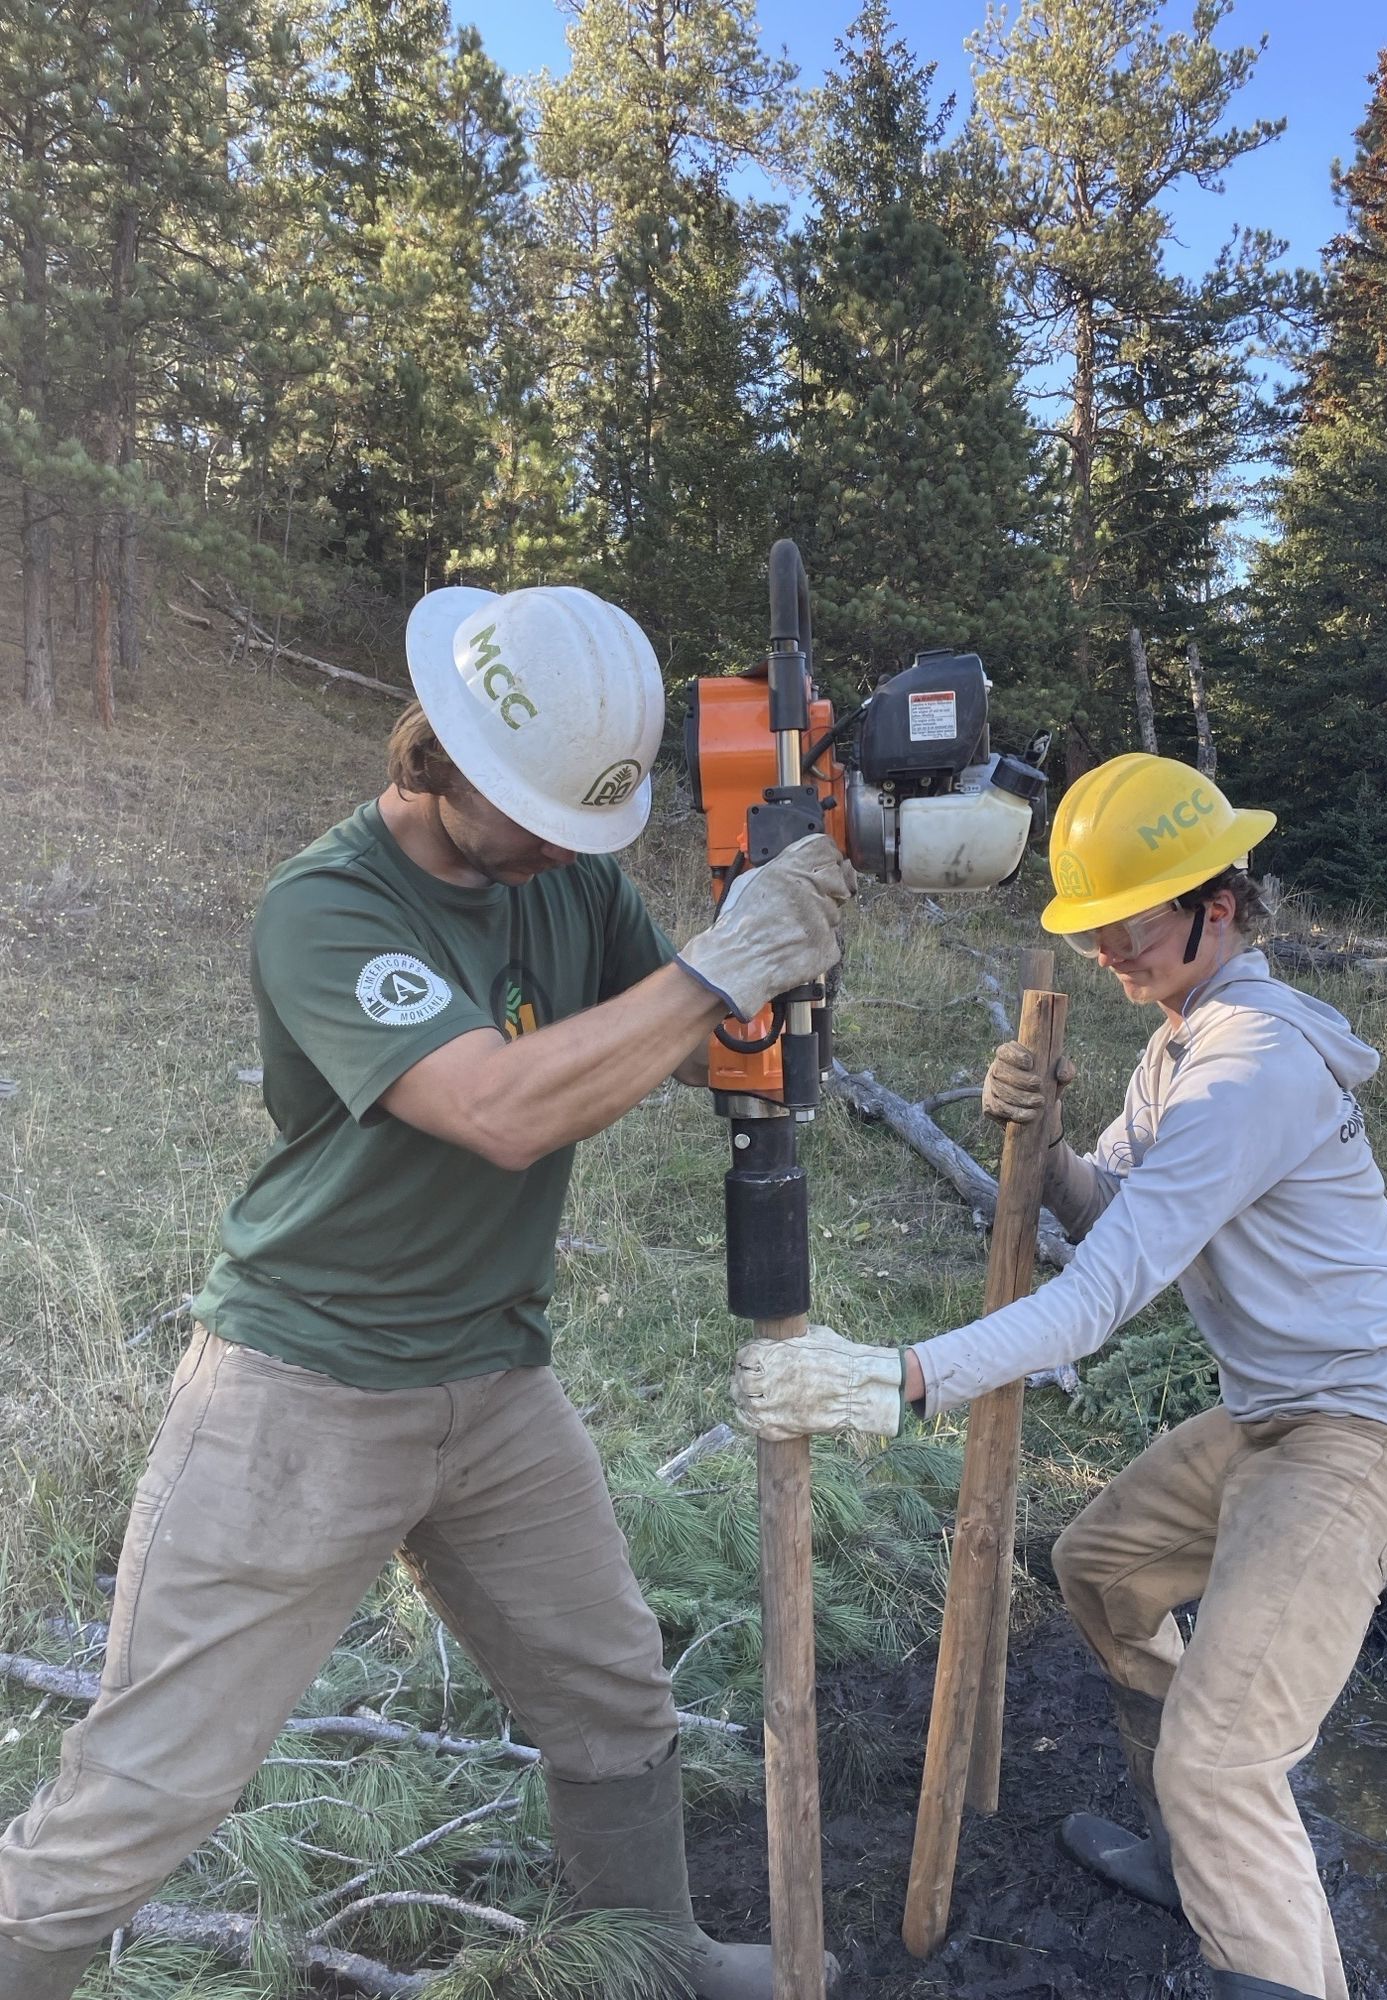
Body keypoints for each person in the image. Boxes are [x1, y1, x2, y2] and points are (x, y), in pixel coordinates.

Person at [0, 583, 852, 2000]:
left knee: (610, 1694)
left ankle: (648, 1958)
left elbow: (700, 1043)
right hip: (301, 1388)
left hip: (494, 1381)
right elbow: (502, 1108)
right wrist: (724, 965)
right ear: (441, 753)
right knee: (147, 1788)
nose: (553, 852)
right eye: (534, 814)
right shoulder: (326, 904)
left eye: (580, 826)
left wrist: (787, 932)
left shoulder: (563, 879)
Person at [731, 752, 1387, 2000]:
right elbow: (1108, 1211)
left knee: (1226, 1755)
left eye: (1130, 923)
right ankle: (1201, 1862)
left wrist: (900, 1378)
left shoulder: (1254, 1065)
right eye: (1092, 931)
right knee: (1103, 1566)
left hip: (1371, 1435)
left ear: (1218, 903)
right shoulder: (1181, 1046)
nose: (1110, 953)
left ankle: (1254, 1911)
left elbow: (1093, 1302)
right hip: (1274, 1416)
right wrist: (1052, 1140)